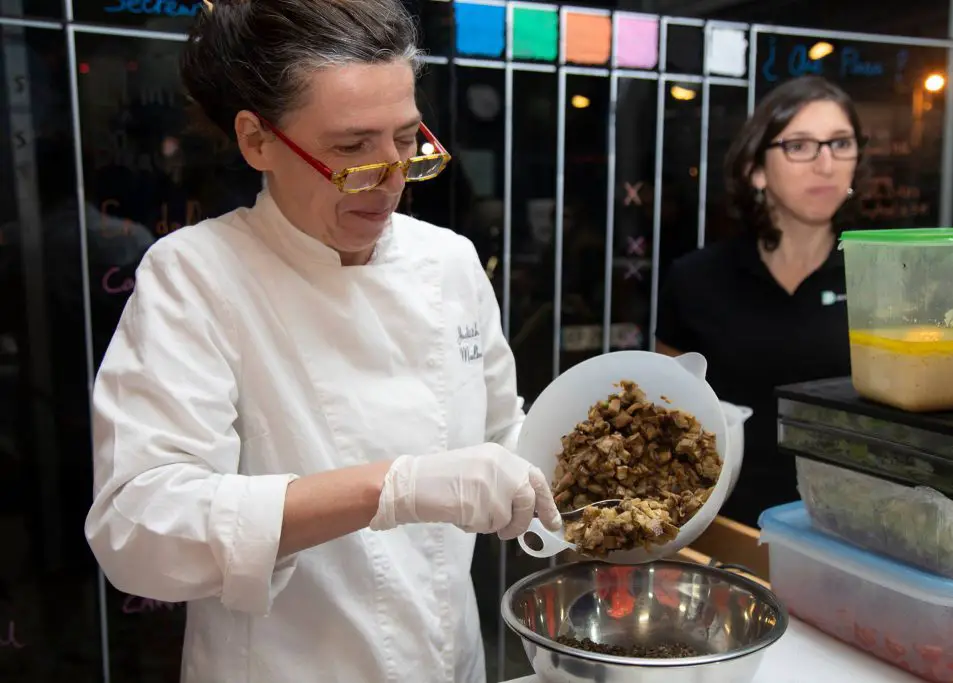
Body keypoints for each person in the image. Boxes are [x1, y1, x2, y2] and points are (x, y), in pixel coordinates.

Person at [82, 2, 562, 682]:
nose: (392, 176)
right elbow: (140, 528)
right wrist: (392, 488)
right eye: (350, 148)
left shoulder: (449, 262)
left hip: (449, 657)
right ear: (258, 141)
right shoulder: (197, 274)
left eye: (405, 138)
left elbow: (504, 435)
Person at [655, 76, 867, 526]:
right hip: (725, 529)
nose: (826, 164)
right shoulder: (697, 280)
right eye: (800, 146)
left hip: (854, 535)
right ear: (756, 168)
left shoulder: (883, 277)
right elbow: (662, 424)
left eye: (840, 143)